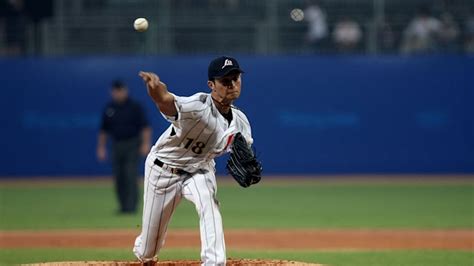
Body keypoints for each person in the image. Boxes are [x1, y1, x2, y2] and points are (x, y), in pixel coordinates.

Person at [133, 56, 254, 265]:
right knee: (148, 250)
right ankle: (143, 250)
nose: (232, 84)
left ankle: (214, 262)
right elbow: (166, 100)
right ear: (211, 85)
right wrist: (155, 89)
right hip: (163, 170)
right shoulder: (197, 106)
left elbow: (244, 153)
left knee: (209, 202)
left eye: (236, 78)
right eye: (226, 81)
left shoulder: (241, 122)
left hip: (199, 170)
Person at [97, 80, 152, 214]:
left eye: (120, 90)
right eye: (115, 91)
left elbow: (145, 127)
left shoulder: (134, 107)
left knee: (130, 174)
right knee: (119, 176)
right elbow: (104, 130)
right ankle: (123, 206)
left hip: (132, 144)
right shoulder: (110, 108)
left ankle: (131, 207)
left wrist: (145, 144)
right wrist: (101, 147)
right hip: (116, 144)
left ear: (125, 91)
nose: (117, 94)